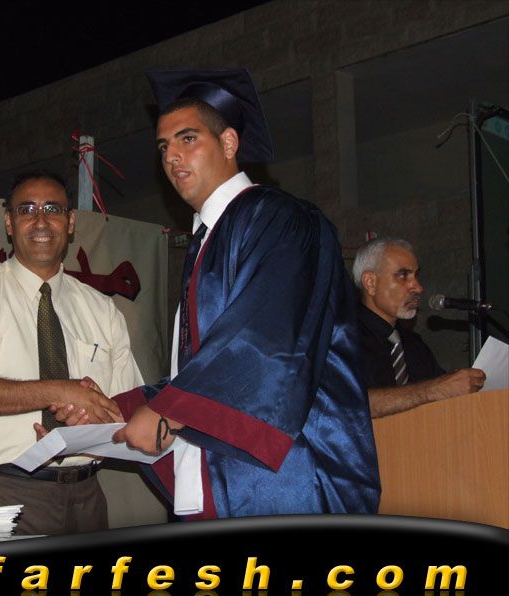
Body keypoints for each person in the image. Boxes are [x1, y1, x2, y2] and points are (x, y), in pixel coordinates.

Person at [112, 68, 381, 518]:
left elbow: (266, 345)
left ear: (229, 143)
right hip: (229, 484)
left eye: (187, 139)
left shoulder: (282, 220)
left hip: (292, 482)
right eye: (163, 147)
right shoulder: (209, 238)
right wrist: (113, 411)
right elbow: (206, 367)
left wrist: (168, 413)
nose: (172, 156)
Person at [0, 170, 143, 535]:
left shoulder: (102, 309)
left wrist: (94, 423)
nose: (40, 221)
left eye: (52, 209)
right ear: (9, 222)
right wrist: (60, 391)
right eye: (26, 209)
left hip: (86, 497)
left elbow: (127, 409)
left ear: (71, 222)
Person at [353, 237, 485, 418]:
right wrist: (434, 389)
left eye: (416, 276)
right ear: (370, 282)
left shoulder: (414, 345)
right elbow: (348, 404)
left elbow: (443, 396)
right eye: (403, 276)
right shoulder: (340, 338)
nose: (418, 288)